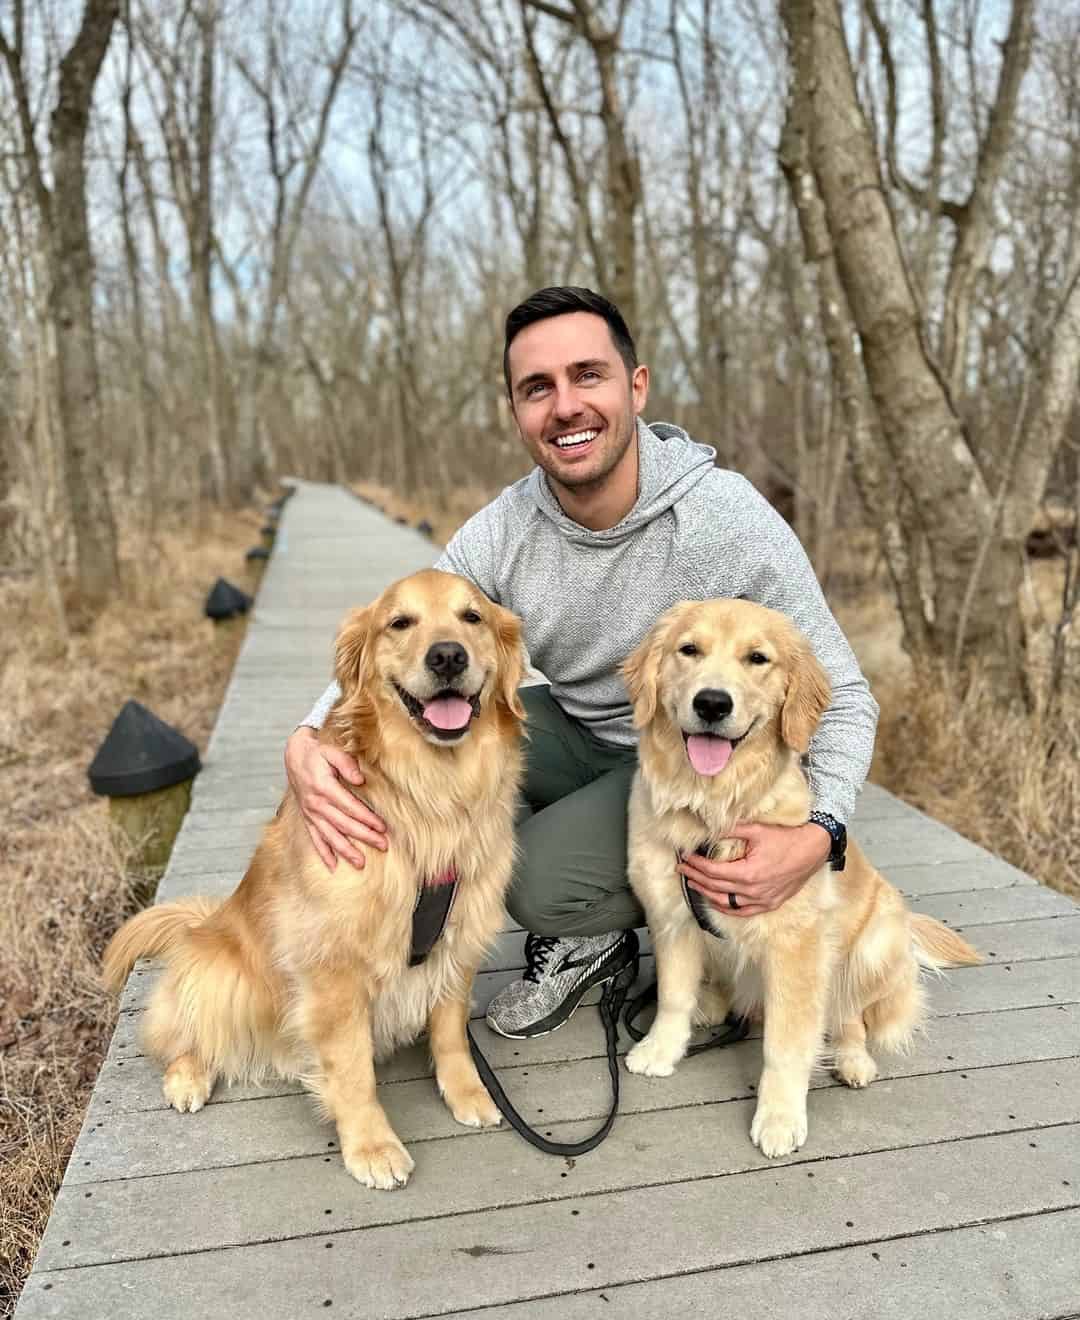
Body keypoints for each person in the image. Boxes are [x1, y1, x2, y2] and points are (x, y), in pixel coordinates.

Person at [284, 286, 879, 1040]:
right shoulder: (504, 529)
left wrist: (819, 832)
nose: (565, 406)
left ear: (636, 386)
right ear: (516, 412)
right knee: (451, 741)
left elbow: (848, 694)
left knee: (527, 881)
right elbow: (399, 638)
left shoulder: (725, 519)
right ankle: (592, 891)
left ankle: (605, 932)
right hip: (584, 734)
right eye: (538, 388)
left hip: (698, 765)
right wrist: (308, 738)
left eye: (588, 375)